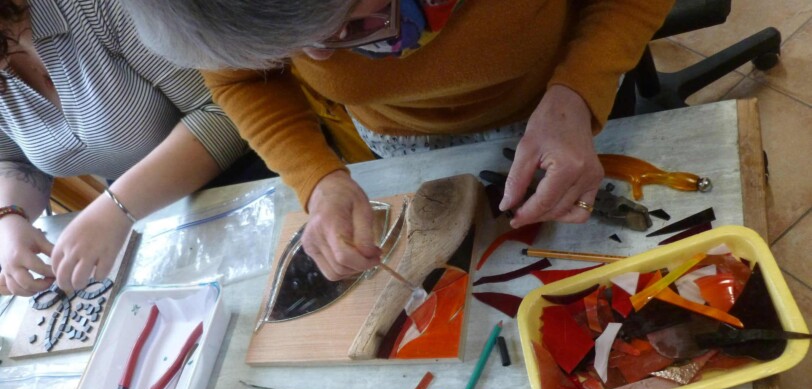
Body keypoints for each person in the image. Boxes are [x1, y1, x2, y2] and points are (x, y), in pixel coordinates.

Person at [122, 0, 674, 280]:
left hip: (564, 100)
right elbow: (236, 79)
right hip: (393, 143)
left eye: (347, 25)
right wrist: (316, 179)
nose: (313, 59)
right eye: (290, 46)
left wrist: (579, 91)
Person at [0, 0, 247, 296]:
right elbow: (16, 160)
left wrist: (117, 207)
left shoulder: (100, 8)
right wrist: (10, 217)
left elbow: (227, 112)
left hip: (244, 182)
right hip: (146, 214)